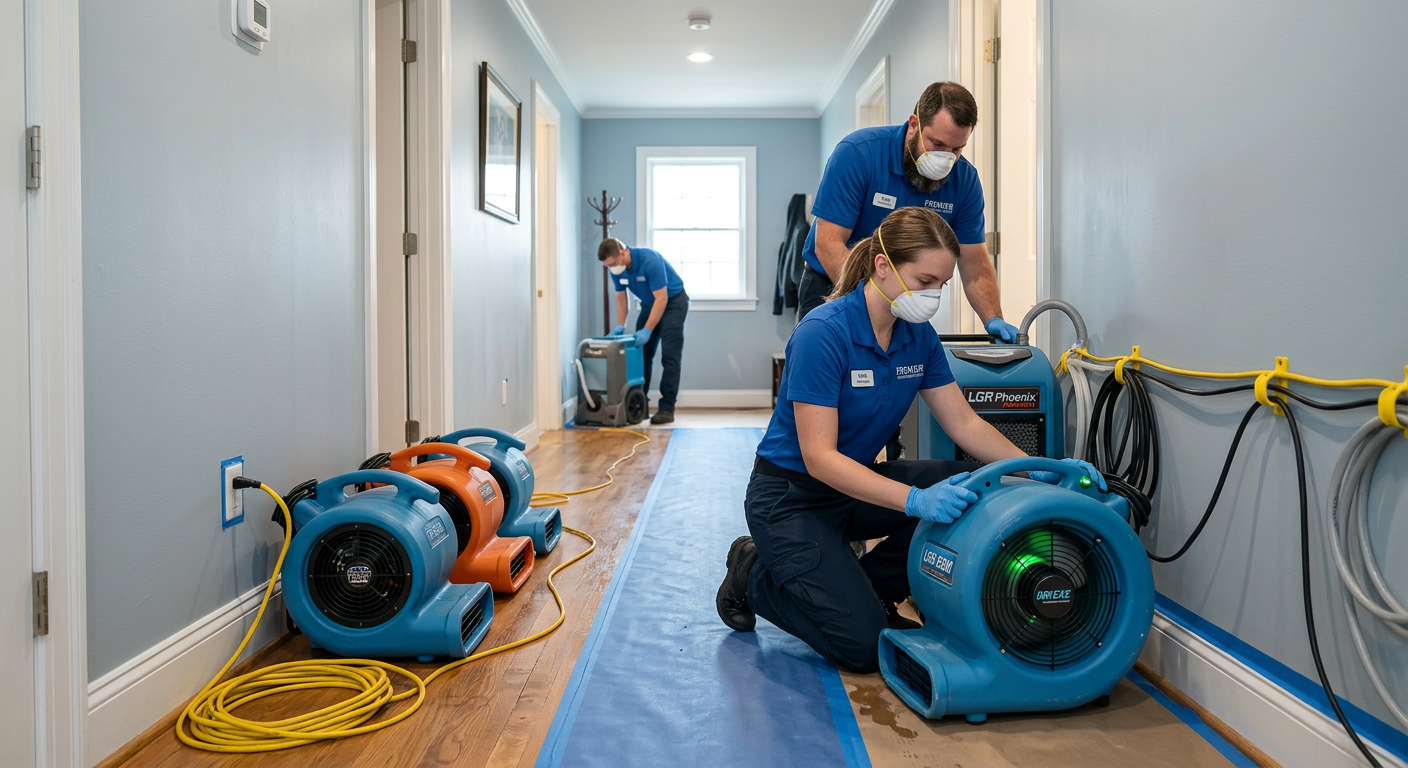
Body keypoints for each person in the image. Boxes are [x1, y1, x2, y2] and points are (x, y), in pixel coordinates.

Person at [714, 208, 1103, 674]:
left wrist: (1042, 469)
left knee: (971, 484)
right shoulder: (824, 333)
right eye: (924, 280)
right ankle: (751, 570)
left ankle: (868, 590)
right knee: (863, 648)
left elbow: (964, 425)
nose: (932, 295)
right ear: (883, 266)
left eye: (941, 284)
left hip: (851, 489)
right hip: (790, 499)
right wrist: (915, 499)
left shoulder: (917, 336)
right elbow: (819, 459)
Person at [798, 81, 1018, 347]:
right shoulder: (858, 154)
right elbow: (828, 244)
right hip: (833, 284)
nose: (945, 158)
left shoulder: (965, 181)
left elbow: (975, 264)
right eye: (937, 143)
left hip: (910, 295)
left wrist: (992, 318)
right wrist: (873, 304)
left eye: (956, 149)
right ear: (914, 124)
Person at [598, 238, 689, 425]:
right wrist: (620, 325)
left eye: (613, 264)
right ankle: (640, 405)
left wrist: (647, 330)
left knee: (669, 356)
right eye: (607, 266)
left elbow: (662, 299)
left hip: (673, 302)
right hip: (649, 304)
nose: (611, 268)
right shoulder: (617, 269)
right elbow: (621, 297)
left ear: (623, 252)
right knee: (641, 355)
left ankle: (666, 408)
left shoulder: (649, 260)